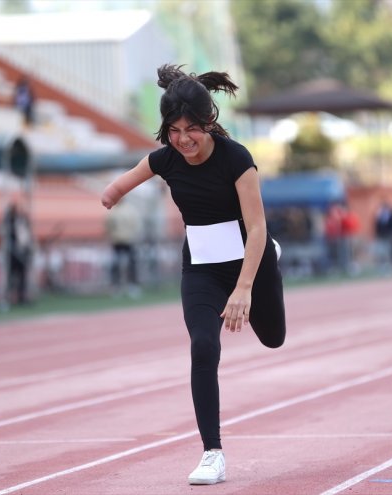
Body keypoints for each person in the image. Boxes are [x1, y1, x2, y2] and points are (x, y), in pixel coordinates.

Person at [101, 64, 286, 486]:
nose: (183, 139)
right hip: (200, 269)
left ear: (209, 123)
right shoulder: (165, 158)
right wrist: (112, 194)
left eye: (191, 129)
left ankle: (272, 263)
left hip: (250, 262)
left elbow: (256, 226)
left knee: (273, 337)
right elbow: (126, 180)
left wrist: (244, 288)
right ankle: (212, 453)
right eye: (173, 130)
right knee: (203, 346)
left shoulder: (237, 159)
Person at [104, 199, 142, 298]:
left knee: (131, 264)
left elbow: (135, 225)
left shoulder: (130, 210)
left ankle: (132, 286)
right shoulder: (113, 211)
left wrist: (134, 236)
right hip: (117, 241)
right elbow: (108, 225)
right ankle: (116, 287)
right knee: (116, 265)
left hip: (129, 241)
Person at [4, 202, 33, 305]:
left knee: (22, 276)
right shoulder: (11, 222)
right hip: (14, 253)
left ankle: (22, 297)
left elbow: (26, 237)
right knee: (12, 276)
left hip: (22, 251)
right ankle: (10, 297)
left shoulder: (22, 222)